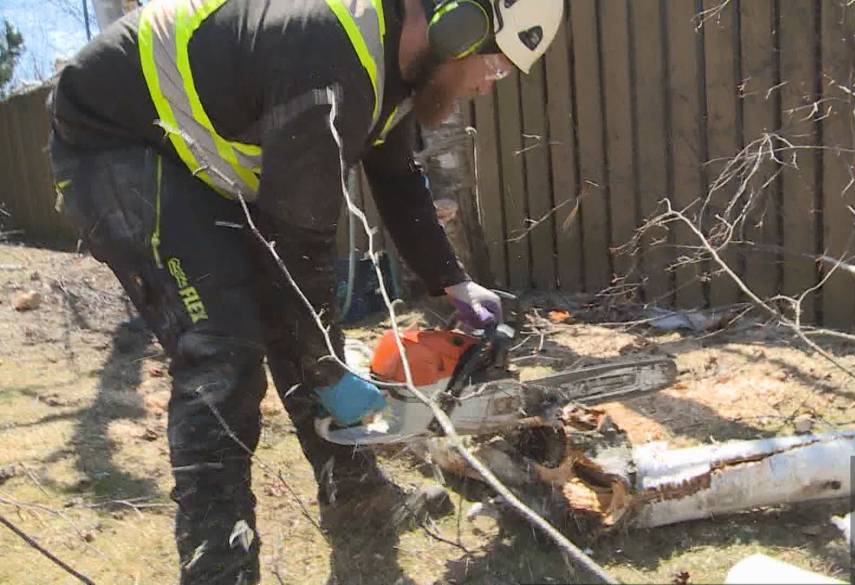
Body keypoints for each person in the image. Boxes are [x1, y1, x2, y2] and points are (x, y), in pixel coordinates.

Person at [47, 0, 563, 582]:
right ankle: (220, 563)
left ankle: (354, 494)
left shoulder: (392, 66)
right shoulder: (329, 60)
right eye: (492, 67)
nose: (487, 86)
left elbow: (395, 176)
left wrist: (453, 279)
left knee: (296, 322)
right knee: (223, 346)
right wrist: (326, 369)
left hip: (194, 153)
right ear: (459, 25)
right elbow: (300, 243)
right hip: (115, 141)